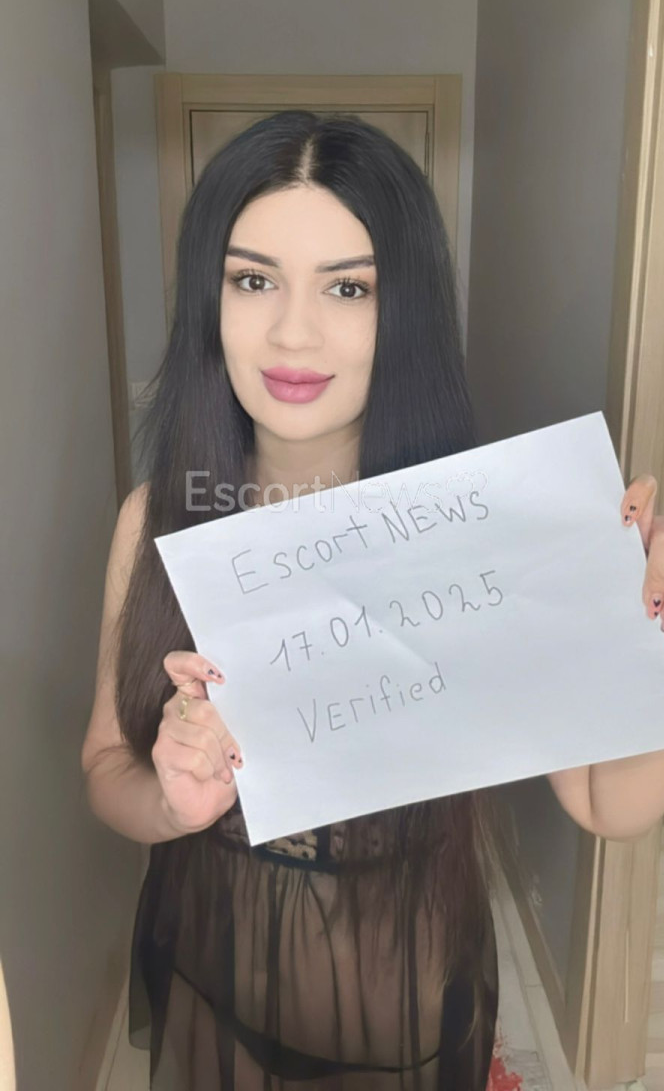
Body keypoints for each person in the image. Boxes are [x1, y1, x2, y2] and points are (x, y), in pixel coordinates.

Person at [81, 109, 517, 1089]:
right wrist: (170, 801)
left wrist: (647, 642)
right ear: (211, 298)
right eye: (253, 279)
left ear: (405, 311)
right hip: (210, 978)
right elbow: (105, 765)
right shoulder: (154, 521)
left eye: (348, 286)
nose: (291, 331)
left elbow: (616, 803)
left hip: (405, 1003)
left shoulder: (479, 533)